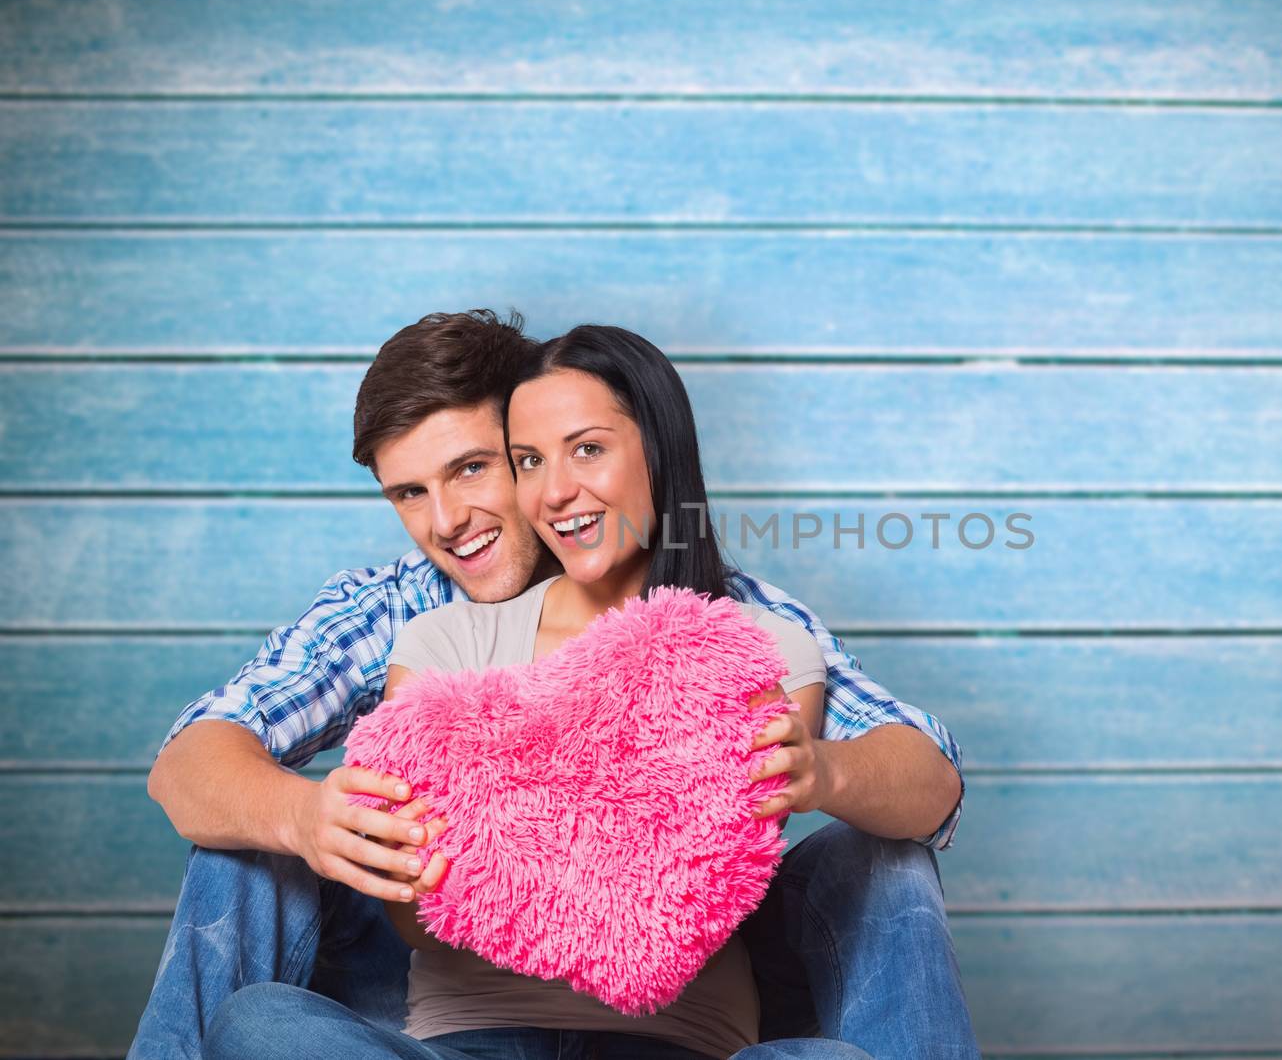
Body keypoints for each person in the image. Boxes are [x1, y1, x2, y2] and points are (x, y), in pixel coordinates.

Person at [138, 311, 979, 1060]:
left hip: (676, 1005)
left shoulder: (744, 628)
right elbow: (191, 761)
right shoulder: (417, 619)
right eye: (408, 492)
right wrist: (307, 818)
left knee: (883, 855)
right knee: (252, 907)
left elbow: (927, 779)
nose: (445, 520)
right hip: (427, 994)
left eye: (474, 468)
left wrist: (822, 770)